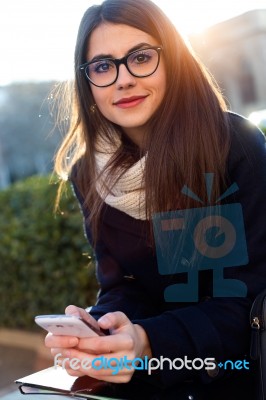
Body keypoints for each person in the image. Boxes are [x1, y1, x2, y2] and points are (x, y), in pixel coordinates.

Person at [45, 0, 266, 398]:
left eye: (141, 57)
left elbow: (244, 300)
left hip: (235, 376)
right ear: (87, 82)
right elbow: (124, 283)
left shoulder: (233, 146)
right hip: (150, 380)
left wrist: (146, 340)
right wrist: (101, 328)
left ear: (174, 60)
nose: (123, 79)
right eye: (102, 66)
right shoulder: (88, 173)